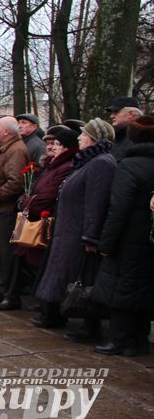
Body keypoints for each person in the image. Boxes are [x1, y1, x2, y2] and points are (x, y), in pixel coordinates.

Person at [35, 118, 117, 344]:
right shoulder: (89, 161)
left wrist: (90, 235)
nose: (79, 138)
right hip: (70, 230)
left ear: (93, 138)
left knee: (85, 281)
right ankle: (83, 322)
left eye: (83, 135)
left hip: (80, 233)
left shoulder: (101, 163)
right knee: (73, 278)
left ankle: (92, 326)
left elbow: (96, 202)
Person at [92, 115, 154, 356]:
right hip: (148, 236)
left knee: (121, 288)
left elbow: (118, 207)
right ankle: (139, 339)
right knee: (144, 287)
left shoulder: (129, 165)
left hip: (128, 237)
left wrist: (106, 242)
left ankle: (121, 339)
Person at [23, 129, 80, 328]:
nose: (51, 147)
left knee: (50, 269)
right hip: (44, 218)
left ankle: (51, 310)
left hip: (52, 221)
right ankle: (44, 305)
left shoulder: (65, 166)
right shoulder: (50, 165)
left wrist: (29, 202)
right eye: (50, 143)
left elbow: (47, 195)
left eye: (56, 143)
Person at [0, 116, 30, 311]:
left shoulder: (16, 150)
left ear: (7, 132)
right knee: (2, 255)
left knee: (8, 255)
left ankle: (10, 295)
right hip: (0, 209)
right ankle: (2, 291)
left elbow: (15, 182)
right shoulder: (8, 149)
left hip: (7, 210)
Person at [106, 96, 143, 161]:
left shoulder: (140, 139)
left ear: (131, 114)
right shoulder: (117, 137)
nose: (111, 116)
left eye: (116, 112)